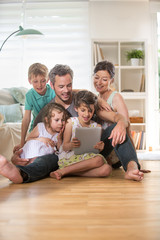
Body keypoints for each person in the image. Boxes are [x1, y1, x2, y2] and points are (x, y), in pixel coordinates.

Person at [5, 64, 143, 183]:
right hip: (64, 154)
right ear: (51, 85)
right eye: (61, 86)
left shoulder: (83, 101)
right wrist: (20, 154)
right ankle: (21, 173)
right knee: (47, 160)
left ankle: (132, 169)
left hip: (93, 151)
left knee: (117, 129)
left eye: (69, 85)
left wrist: (120, 123)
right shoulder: (47, 111)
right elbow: (34, 138)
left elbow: (119, 118)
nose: (66, 90)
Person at [50, 90, 112, 180]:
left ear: (94, 110)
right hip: (71, 157)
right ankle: (62, 171)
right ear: (76, 108)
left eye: (90, 111)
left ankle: (70, 172)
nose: (87, 114)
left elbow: (96, 149)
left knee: (107, 169)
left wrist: (100, 147)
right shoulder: (70, 122)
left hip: (87, 159)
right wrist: (71, 145)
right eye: (83, 110)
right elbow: (64, 147)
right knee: (99, 160)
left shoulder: (97, 126)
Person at [0, 102, 68, 183]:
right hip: (30, 152)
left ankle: (18, 172)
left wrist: (59, 139)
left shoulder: (60, 133)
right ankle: (17, 171)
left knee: (43, 161)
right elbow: (29, 139)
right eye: (57, 120)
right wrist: (42, 139)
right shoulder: (40, 127)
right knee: (34, 153)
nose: (60, 123)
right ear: (47, 120)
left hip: (41, 157)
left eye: (63, 120)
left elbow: (59, 150)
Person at [14, 63, 55, 152]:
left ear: (48, 79)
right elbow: (26, 119)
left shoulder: (52, 91)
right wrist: (22, 142)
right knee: (30, 149)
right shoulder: (29, 95)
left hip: (52, 126)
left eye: (43, 81)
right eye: (35, 81)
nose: (39, 85)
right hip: (36, 127)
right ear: (30, 81)